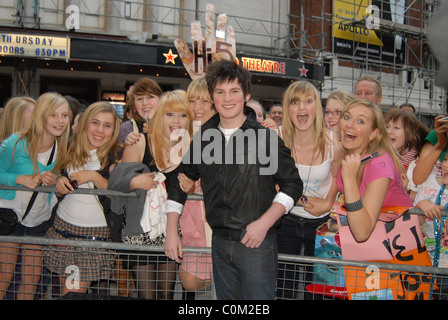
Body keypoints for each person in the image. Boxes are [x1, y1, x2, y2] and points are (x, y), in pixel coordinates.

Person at [164, 60, 303, 300]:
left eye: (234, 91)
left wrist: (264, 223)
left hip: (257, 245)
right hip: (219, 243)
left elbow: (292, 184)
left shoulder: (264, 139)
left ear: (246, 95)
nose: (227, 99)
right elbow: (179, 178)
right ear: (213, 97)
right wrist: (171, 230)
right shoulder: (204, 139)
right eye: (220, 92)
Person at [335, 98, 432, 299]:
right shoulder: (352, 156)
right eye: (347, 117)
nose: (350, 124)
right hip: (370, 260)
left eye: (361, 121)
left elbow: (362, 231)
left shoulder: (380, 163)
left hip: (397, 261)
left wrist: (350, 181)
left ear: (374, 133)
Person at [109, 90, 193, 300]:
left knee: (166, 295)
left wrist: (192, 187)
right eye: (170, 114)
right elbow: (115, 182)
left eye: (183, 115)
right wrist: (134, 181)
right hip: (141, 231)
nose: (176, 121)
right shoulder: (140, 141)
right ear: (160, 115)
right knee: (146, 294)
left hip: (172, 232)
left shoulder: (190, 147)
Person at [43, 101, 122, 296]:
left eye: (107, 125)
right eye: (95, 123)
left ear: (114, 130)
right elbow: (60, 191)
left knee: (72, 293)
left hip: (94, 236)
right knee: (65, 292)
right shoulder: (68, 149)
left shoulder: (117, 155)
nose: (100, 130)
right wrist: (60, 182)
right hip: (63, 228)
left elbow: (119, 193)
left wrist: (94, 177)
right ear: (85, 123)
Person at [276, 81, 344, 299]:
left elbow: (338, 176)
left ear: (318, 107)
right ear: (287, 108)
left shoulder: (334, 141)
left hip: (322, 223)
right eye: (295, 102)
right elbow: (273, 182)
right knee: (285, 286)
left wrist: (328, 202)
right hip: (286, 219)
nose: (302, 108)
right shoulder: (276, 137)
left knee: (318, 290)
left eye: (309, 101)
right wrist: (302, 200)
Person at [0, 92, 71, 300]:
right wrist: (21, 179)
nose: (60, 121)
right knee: (4, 276)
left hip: (38, 218)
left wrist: (55, 183)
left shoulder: (63, 149)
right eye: (54, 115)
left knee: (32, 278)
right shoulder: (15, 142)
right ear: (41, 116)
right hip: (9, 216)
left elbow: (60, 187)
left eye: (65, 115)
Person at [178, 77, 215, 292]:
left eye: (204, 101)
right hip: (192, 221)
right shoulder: (184, 132)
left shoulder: (228, 133)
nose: (197, 108)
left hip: (220, 220)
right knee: (190, 283)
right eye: (192, 101)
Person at [384, 108, 429, 199]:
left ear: (410, 133)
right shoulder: (379, 154)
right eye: (387, 127)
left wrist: (405, 190)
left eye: (396, 128)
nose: (389, 131)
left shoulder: (417, 161)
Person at [118, 78, 163, 144]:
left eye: (150, 97)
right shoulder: (127, 129)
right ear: (134, 104)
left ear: (160, 99)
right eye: (139, 99)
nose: (145, 103)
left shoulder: (172, 124)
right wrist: (125, 145)